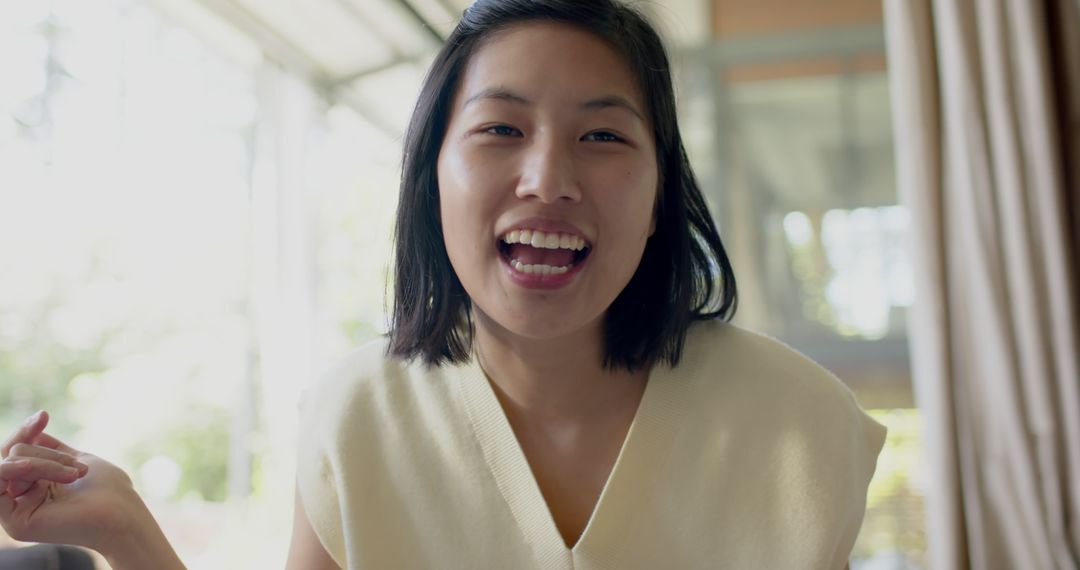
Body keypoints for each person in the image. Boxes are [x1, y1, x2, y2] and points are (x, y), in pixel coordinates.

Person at [0, 1, 887, 568]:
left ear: (662, 198)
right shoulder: (357, 413)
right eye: (501, 129)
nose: (549, 178)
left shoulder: (794, 421)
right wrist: (124, 527)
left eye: (605, 137)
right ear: (432, 181)